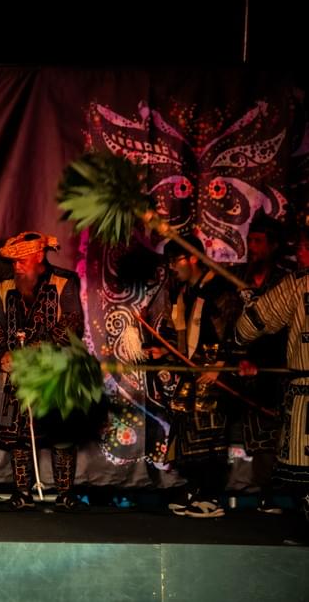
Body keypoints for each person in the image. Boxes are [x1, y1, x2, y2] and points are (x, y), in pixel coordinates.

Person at [0, 231, 87, 511]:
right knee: (20, 434)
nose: (17, 267)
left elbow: (71, 324)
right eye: (14, 262)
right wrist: (5, 354)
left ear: (39, 256)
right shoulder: (4, 287)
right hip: (20, 373)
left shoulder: (64, 281)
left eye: (22, 261)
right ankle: (22, 492)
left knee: (61, 433)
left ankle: (65, 492)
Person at [154, 236, 242, 518]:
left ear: (193, 257)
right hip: (192, 369)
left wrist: (221, 364)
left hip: (213, 371)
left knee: (210, 433)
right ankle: (195, 489)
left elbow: (235, 329)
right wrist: (160, 349)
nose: (171, 268)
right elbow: (176, 333)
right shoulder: (184, 292)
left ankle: (211, 496)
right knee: (188, 430)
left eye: (175, 261)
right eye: (169, 262)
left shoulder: (219, 289)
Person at [235, 224, 309, 537]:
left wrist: (249, 314)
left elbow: (249, 327)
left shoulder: (298, 284)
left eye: (303, 247)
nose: (300, 254)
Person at [230, 213, 289, 514]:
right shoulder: (236, 278)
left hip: (274, 363)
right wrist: (238, 356)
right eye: (250, 241)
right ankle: (226, 491)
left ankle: (269, 493)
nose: (253, 247)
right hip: (240, 362)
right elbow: (227, 319)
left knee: (272, 429)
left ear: (273, 246)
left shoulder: (284, 280)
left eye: (259, 242)